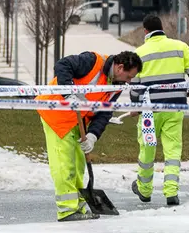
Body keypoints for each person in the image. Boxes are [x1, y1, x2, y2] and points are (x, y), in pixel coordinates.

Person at [36, 51, 143, 222]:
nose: (129, 81)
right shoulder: (92, 62)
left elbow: (104, 112)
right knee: (64, 164)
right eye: (129, 76)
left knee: (79, 165)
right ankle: (67, 210)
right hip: (56, 114)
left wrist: (93, 135)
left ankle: (78, 204)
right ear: (120, 67)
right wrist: (68, 93)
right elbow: (62, 65)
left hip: (79, 120)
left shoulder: (116, 86)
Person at [129, 14, 189, 206]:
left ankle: (144, 191)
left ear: (145, 31)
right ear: (161, 27)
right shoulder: (179, 47)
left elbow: (135, 86)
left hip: (149, 111)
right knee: (172, 150)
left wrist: (135, 106)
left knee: (147, 150)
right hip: (175, 106)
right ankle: (171, 192)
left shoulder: (139, 53)